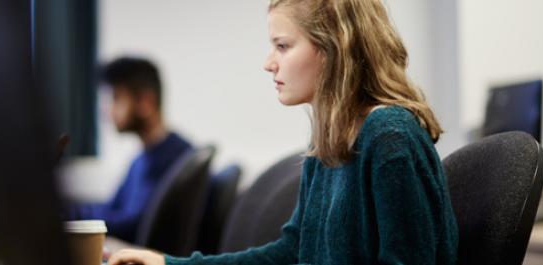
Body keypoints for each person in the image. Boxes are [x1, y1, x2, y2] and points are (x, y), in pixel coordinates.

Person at [107, 0, 458, 264]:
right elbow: (292, 251)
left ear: (333, 48)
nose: (268, 62)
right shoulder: (330, 140)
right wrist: (170, 263)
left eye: (283, 46)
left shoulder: (389, 137)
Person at [70, 57, 193, 243]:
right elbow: (113, 207)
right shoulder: (142, 159)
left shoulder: (172, 159)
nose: (108, 111)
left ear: (146, 102)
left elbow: (133, 225)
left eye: (116, 99)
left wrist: (72, 216)